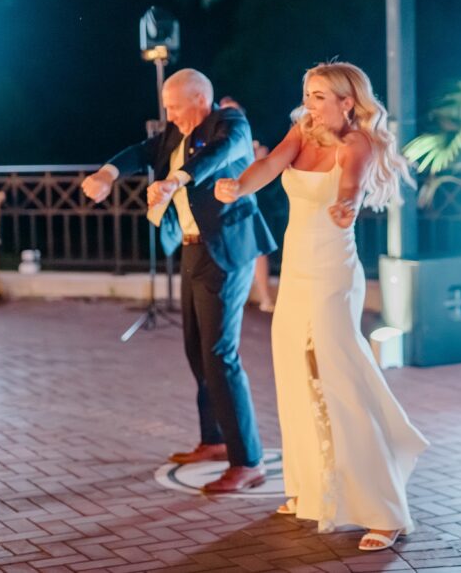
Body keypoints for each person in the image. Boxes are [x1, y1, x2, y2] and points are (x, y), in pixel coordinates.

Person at [215, 61, 429, 551]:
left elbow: (350, 187)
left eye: (318, 96)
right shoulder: (302, 130)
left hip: (333, 270)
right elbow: (269, 166)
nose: (308, 104)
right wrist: (238, 186)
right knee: (294, 370)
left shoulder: (358, 143)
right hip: (296, 271)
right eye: (307, 94)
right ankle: (311, 490)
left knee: (339, 374)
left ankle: (385, 510)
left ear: (346, 102)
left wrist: (346, 205)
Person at [82, 69, 277, 493]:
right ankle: (215, 439)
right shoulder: (174, 133)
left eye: (174, 107)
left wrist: (175, 180)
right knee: (196, 349)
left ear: (199, 100)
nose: (168, 116)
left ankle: (249, 460)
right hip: (192, 248)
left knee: (220, 353)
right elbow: (140, 151)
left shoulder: (230, 123)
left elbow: (219, 155)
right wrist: (107, 174)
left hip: (225, 249)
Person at [219, 96, 275, 313]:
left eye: (233, 111)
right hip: (225, 199)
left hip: (248, 198)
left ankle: (265, 297)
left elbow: (264, 161)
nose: (229, 116)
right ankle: (235, 297)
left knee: (256, 247)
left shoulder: (250, 135)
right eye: (224, 111)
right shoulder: (217, 137)